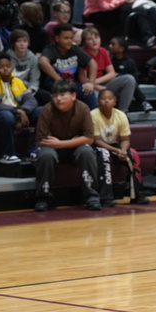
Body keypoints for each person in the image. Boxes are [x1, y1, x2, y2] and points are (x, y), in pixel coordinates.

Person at [33, 79, 102, 212]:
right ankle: (43, 197)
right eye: (55, 95)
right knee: (45, 154)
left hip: (72, 147)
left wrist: (60, 143)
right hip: (53, 148)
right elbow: (42, 140)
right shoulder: (47, 110)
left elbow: (89, 138)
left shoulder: (83, 108)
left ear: (73, 96)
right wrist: (71, 141)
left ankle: (92, 196)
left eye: (62, 95)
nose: (58, 99)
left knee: (87, 152)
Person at [0, 52, 39, 164]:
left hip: (18, 114)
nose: (5, 69)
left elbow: (31, 100)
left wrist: (23, 111)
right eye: (1, 67)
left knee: (42, 111)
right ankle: (7, 154)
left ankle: (34, 149)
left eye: (8, 66)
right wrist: (17, 111)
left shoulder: (18, 81)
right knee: (6, 116)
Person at [91, 88, 148, 206]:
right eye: (103, 99)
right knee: (104, 154)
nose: (106, 101)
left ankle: (137, 194)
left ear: (115, 102)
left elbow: (125, 139)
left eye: (110, 99)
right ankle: (105, 197)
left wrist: (123, 150)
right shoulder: (93, 115)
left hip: (113, 144)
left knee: (133, 154)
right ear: (97, 102)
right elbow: (96, 140)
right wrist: (115, 150)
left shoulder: (121, 115)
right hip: (97, 146)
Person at [39, 23, 98, 108]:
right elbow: (42, 62)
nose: (70, 41)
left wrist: (91, 83)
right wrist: (59, 80)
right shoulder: (51, 49)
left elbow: (92, 63)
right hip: (54, 84)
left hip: (72, 84)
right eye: (66, 38)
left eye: (71, 38)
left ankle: (93, 119)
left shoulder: (74, 49)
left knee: (89, 93)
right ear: (57, 38)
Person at [81, 27, 136, 112]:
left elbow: (111, 73)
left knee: (129, 79)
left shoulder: (103, 51)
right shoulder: (82, 53)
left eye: (96, 38)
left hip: (100, 83)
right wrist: (97, 87)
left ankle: (122, 113)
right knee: (93, 95)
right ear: (85, 42)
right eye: (90, 39)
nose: (94, 41)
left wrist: (95, 82)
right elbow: (84, 81)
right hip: (89, 88)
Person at [7, 28, 40, 95]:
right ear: (13, 43)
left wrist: (31, 90)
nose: (22, 44)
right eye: (19, 41)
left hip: (26, 88)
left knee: (45, 96)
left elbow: (34, 79)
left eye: (25, 41)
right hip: (10, 88)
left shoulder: (33, 58)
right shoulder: (7, 57)